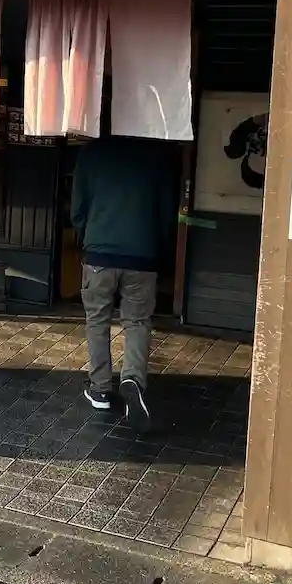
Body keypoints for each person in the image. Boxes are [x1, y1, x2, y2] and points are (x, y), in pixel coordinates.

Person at [70, 131, 177, 432]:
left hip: (99, 253)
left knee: (97, 320)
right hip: (143, 256)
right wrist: (157, 247)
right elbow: (167, 212)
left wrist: (89, 235)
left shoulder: (92, 153)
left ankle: (100, 389)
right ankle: (132, 379)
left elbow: (77, 208)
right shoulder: (156, 155)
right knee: (137, 321)